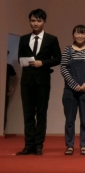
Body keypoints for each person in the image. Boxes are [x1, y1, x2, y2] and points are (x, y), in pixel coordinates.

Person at [17, 9, 61, 156]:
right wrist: (25, 61)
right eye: (33, 20)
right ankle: (28, 145)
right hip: (27, 81)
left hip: (42, 80)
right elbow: (20, 58)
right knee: (28, 113)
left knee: (41, 113)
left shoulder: (51, 39)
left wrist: (42, 63)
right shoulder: (24, 39)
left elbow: (58, 58)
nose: (35, 23)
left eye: (38, 20)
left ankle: (38, 145)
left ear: (44, 22)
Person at [60, 25, 85, 155]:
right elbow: (63, 68)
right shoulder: (68, 50)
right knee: (69, 120)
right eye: (77, 33)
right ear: (73, 35)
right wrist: (74, 84)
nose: (80, 36)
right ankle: (69, 145)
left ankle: (84, 145)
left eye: (83, 33)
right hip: (70, 91)